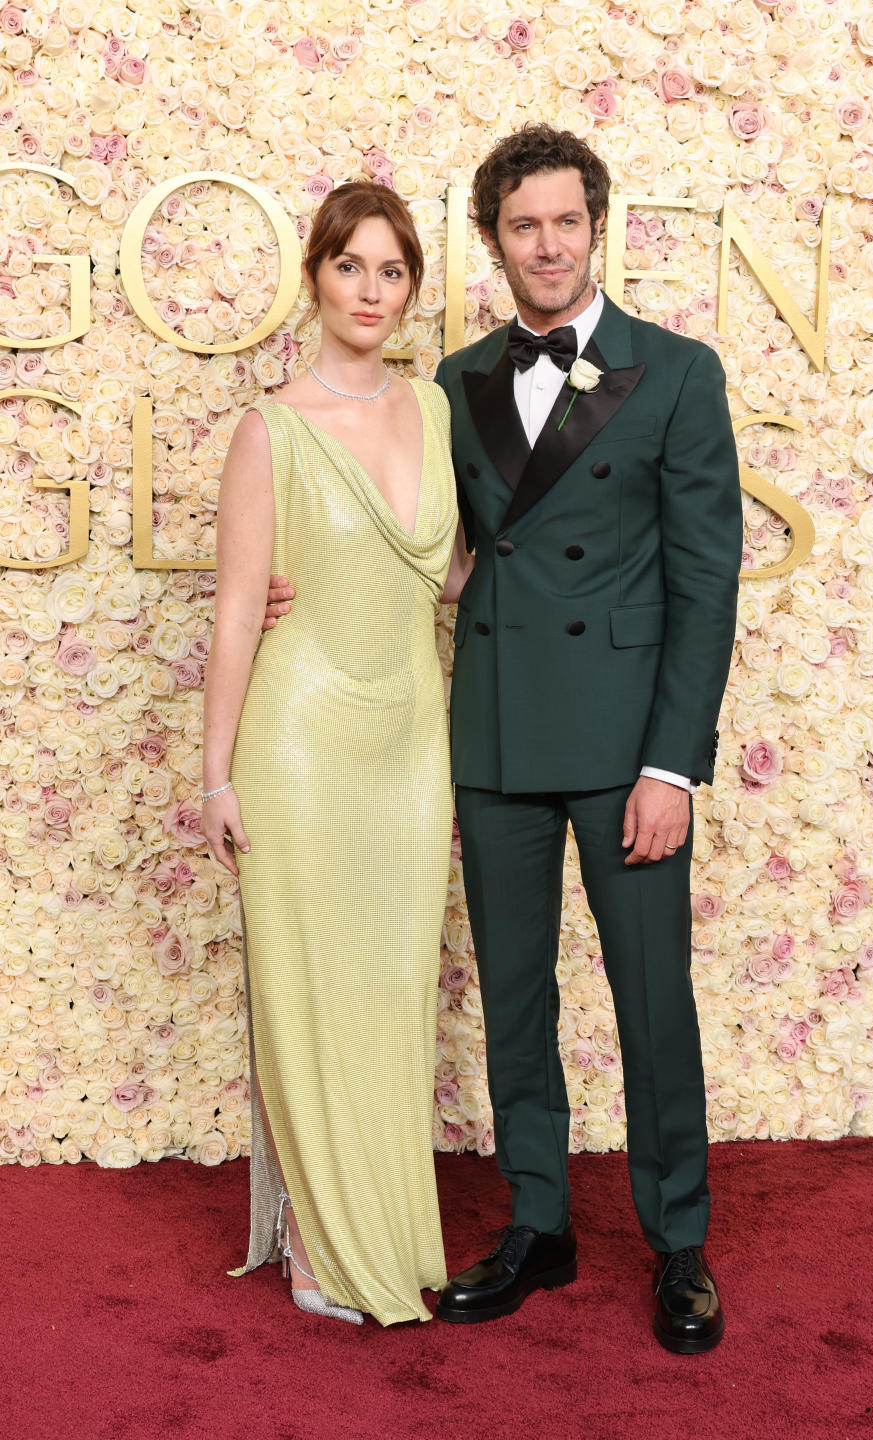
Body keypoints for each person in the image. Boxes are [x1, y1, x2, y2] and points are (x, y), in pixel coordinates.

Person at [264, 124, 742, 1353]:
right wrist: (290, 579)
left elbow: (707, 583)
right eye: (522, 225)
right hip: (493, 738)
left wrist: (673, 763)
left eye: (565, 222)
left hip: (630, 749)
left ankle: (679, 1245)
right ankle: (541, 1221)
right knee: (514, 1000)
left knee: (651, 1000)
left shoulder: (679, 372)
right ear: (493, 241)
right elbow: (416, 533)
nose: (546, 244)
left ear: (597, 227)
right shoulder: (455, 386)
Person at [202, 181, 471, 1326]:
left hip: (411, 743)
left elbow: (448, 572)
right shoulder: (271, 428)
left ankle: (382, 1222)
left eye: (393, 271)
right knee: (312, 990)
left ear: (412, 288)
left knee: (391, 987)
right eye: (351, 266)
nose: (371, 290)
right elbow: (230, 614)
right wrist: (214, 773)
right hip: (301, 741)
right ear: (314, 275)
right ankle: (315, 1238)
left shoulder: (439, 412)